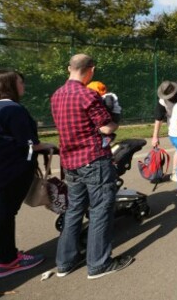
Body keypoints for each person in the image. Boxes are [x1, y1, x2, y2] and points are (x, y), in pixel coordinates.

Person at [51, 54, 132, 279]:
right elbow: (107, 128)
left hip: (70, 162)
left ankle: (65, 262)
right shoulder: (87, 95)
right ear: (91, 70)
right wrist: (115, 113)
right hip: (93, 159)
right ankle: (98, 264)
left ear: (69, 68)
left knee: (74, 209)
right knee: (100, 209)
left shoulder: (57, 95)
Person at [0, 69, 55, 278]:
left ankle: (5, 256)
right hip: (10, 170)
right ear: (10, 86)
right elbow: (30, 143)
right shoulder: (13, 110)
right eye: (20, 83)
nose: (23, 86)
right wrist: (48, 145)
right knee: (6, 214)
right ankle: (8, 260)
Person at [152, 80, 177, 181]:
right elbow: (158, 119)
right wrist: (155, 137)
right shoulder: (162, 102)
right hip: (174, 126)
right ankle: (175, 172)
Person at [86, 81, 121, 148]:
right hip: (113, 114)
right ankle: (107, 137)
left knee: (100, 127)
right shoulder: (105, 96)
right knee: (99, 127)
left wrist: (103, 111)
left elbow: (109, 105)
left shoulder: (108, 96)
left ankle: (108, 137)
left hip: (113, 115)